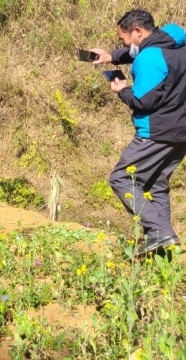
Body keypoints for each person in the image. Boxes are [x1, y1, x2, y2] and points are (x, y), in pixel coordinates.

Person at [90, 9, 186, 255]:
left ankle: (160, 231)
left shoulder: (149, 58)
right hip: (180, 132)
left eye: (123, 39)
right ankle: (162, 246)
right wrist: (111, 56)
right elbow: (136, 51)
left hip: (156, 132)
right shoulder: (175, 45)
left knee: (121, 178)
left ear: (137, 32)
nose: (123, 44)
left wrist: (121, 90)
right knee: (155, 184)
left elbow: (142, 101)